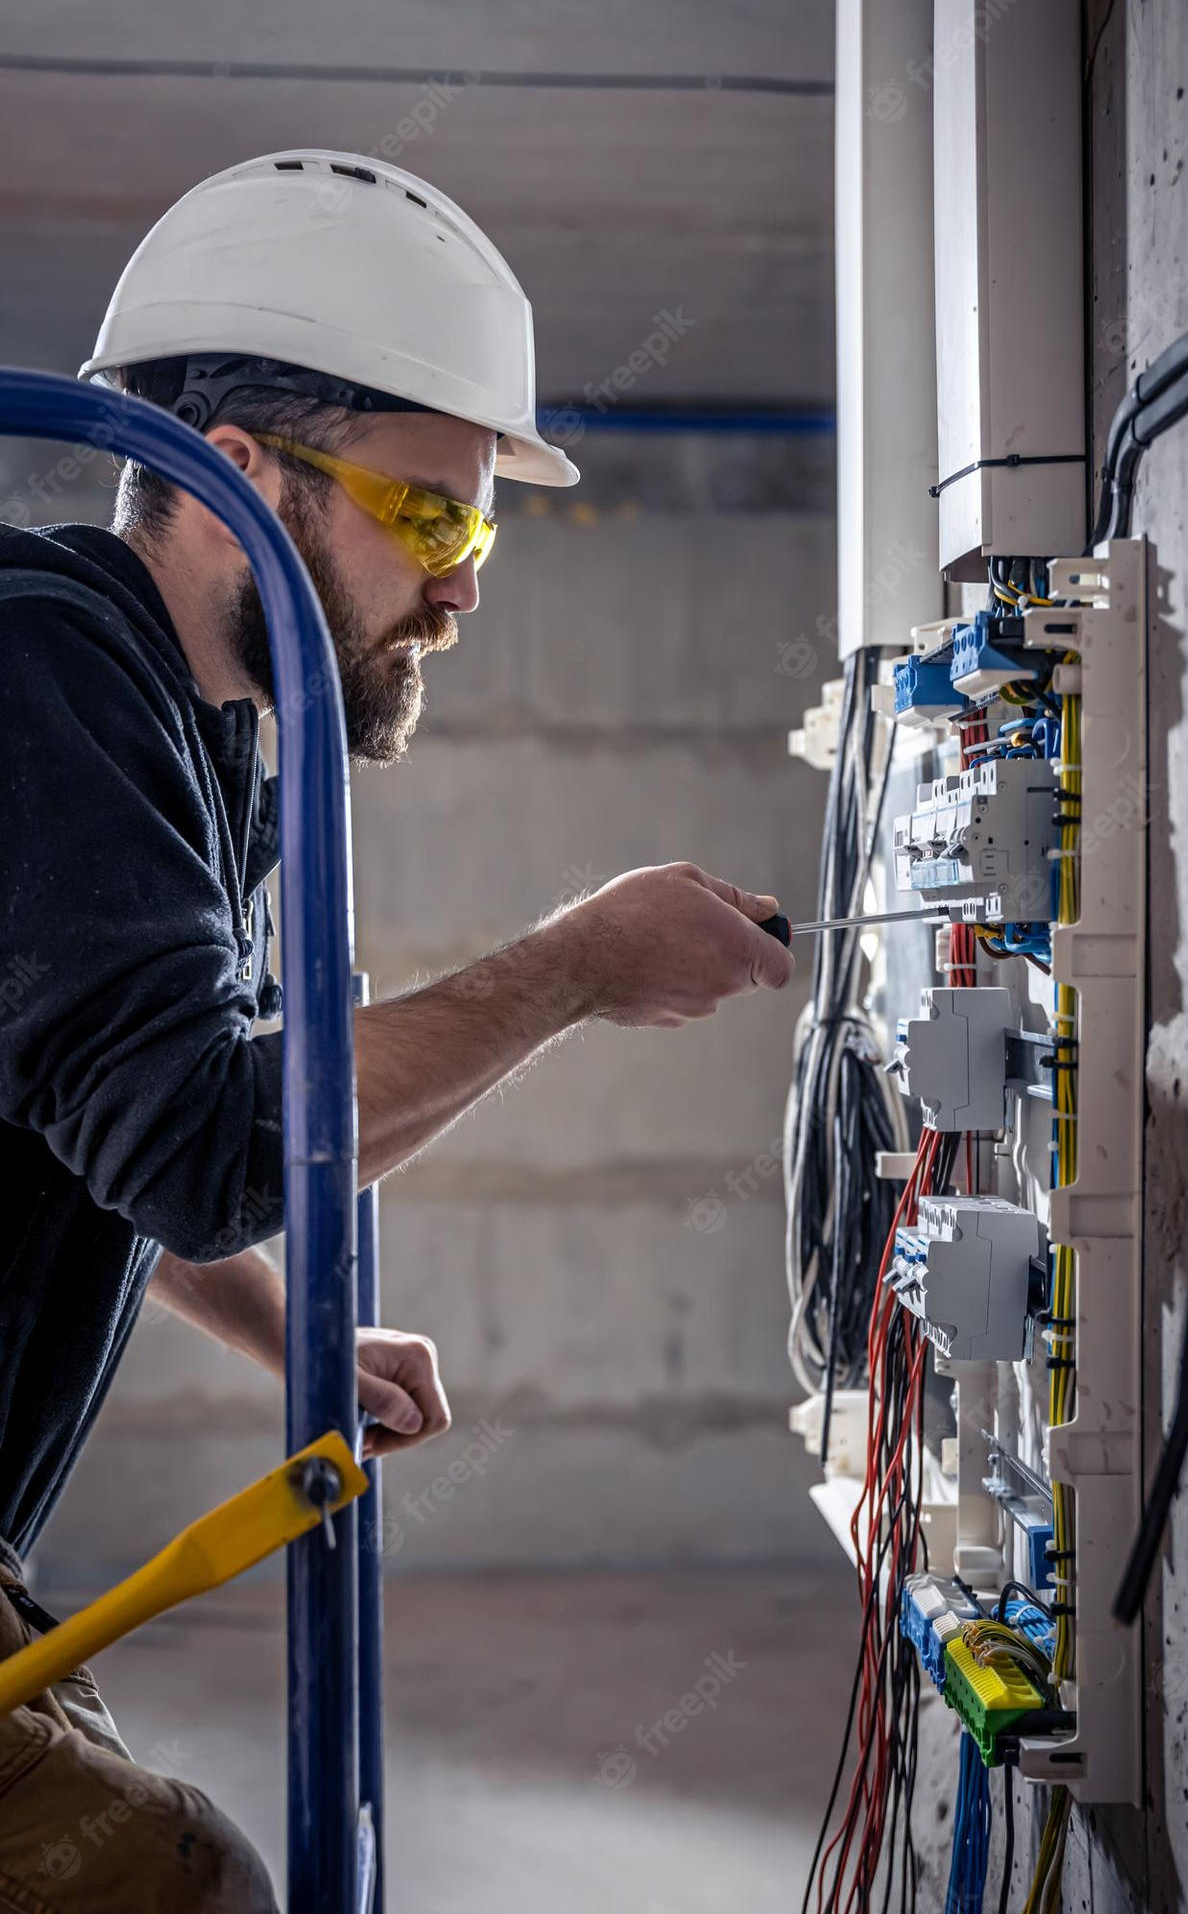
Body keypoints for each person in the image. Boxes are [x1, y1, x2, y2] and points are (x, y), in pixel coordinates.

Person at [0, 149, 793, 1908]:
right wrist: (575, 966)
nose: (465, 586)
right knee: (174, 1880)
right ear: (234, 478)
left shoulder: (180, 726)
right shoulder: (36, 677)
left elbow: (116, 1124)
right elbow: (212, 1148)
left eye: (479, 524)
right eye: (430, 514)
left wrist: (292, 1336)